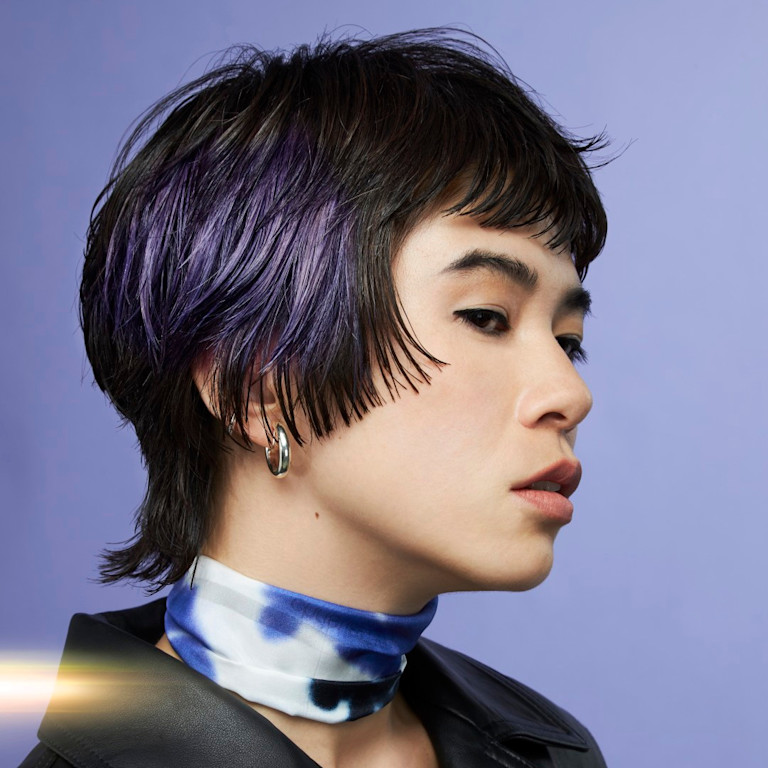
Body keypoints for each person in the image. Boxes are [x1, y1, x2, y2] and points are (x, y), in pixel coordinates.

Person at [21, 28, 609, 768]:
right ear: (258, 384)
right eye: (487, 317)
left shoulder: (551, 752)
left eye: (567, 339)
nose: (569, 393)